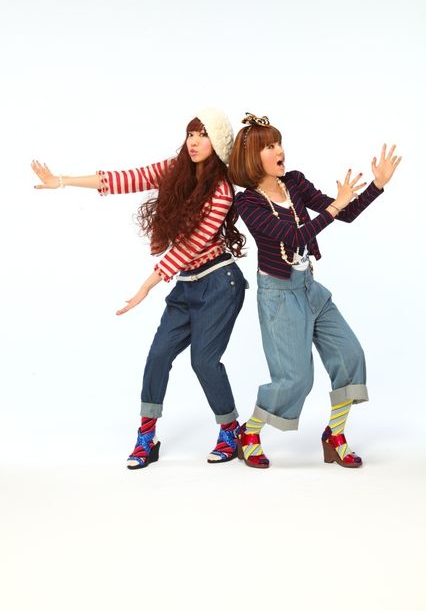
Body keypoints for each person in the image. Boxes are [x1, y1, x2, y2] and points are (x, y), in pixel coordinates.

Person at [32, 108, 247, 469]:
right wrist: (62, 180)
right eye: (191, 134)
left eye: (203, 135)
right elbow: (128, 178)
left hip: (219, 284)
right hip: (186, 284)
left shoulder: (222, 191)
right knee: (158, 356)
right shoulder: (176, 168)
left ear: (219, 143)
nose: (194, 142)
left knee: (203, 361)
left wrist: (146, 286)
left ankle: (230, 430)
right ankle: (147, 435)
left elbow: (190, 246)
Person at [228, 113, 401, 469]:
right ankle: (250, 433)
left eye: (278, 142)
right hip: (278, 296)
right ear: (251, 158)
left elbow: (345, 213)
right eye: (269, 146)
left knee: (350, 355)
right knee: (295, 380)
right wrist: (336, 206)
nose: (279, 150)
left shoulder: (294, 182)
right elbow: (294, 236)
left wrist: (377, 185)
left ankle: (334, 435)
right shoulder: (248, 203)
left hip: (309, 287)